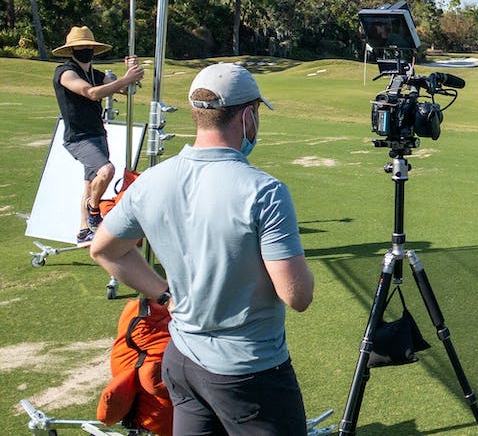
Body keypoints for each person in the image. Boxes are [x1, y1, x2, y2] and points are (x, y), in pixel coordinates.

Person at [90, 62, 315, 435]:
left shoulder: (152, 181)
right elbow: (297, 295)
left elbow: (105, 250)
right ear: (247, 116)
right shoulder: (264, 191)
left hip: (181, 362)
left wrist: (164, 295)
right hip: (250, 371)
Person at [51, 25, 143, 243]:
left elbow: (126, 90)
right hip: (78, 137)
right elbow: (91, 93)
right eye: (80, 47)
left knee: (91, 185)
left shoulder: (95, 73)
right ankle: (94, 213)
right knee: (106, 170)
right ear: (71, 50)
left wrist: (133, 74)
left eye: (87, 47)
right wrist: (126, 79)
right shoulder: (65, 72)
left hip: (97, 133)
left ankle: (84, 231)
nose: (85, 50)